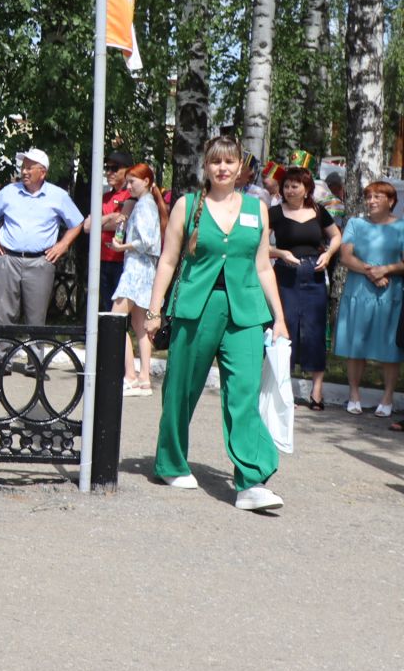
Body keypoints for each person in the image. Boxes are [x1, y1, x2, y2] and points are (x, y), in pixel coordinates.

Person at [144, 134, 289, 510]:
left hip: (246, 313)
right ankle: (170, 462)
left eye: (230, 162)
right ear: (205, 167)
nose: (223, 168)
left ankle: (251, 480)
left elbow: (262, 267)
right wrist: (154, 309)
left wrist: (279, 318)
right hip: (196, 309)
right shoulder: (187, 205)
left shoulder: (257, 209)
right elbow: (168, 261)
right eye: (215, 162)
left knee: (243, 394)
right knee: (181, 388)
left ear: (240, 166)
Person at [0, 148, 85, 328]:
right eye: (23, 167)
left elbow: (77, 222)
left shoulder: (58, 196)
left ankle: (35, 357)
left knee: (36, 320)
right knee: (4, 317)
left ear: (42, 172)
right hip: (9, 259)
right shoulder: (9, 191)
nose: (24, 172)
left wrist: (63, 245)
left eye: (29, 168)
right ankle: (2, 356)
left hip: (40, 262)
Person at [268, 167, 340, 411]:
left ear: (307, 188)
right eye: (286, 186)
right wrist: (279, 252)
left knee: (314, 330)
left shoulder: (318, 211)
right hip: (285, 275)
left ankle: (316, 391)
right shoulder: (275, 213)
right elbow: (259, 245)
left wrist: (329, 254)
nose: (289, 190)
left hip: (315, 275)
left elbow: (336, 236)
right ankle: (284, 390)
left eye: (295, 186)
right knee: (285, 328)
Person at [333, 180, 404, 416]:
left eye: (377, 197)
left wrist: (386, 270)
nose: (371, 201)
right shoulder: (355, 223)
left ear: (391, 201)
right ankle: (354, 394)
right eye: (368, 197)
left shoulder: (401, 227)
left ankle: (387, 397)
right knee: (356, 344)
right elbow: (345, 256)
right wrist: (372, 272)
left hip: (390, 295)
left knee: (389, 348)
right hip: (358, 292)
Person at [109, 163, 162, 394]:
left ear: (147, 182)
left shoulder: (144, 206)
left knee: (115, 320)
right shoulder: (145, 204)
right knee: (140, 326)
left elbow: (147, 242)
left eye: (132, 181)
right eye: (127, 181)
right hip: (143, 269)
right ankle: (143, 378)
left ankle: (130, 375)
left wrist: (122, 247)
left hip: (136, 270)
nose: (128, 186)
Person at [96, 150, 134, 312]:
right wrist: (112, 217)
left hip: (122, 260)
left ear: (127, 170)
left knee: (119, 311)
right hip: (102, 259)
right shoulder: (103, 197)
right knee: (106, 307)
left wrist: (102, 221)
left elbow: (125, 222)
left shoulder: (130, 195)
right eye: (107, 168)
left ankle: (119, 338)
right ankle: (108, 338)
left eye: (114, 168)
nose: (109, 172)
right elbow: (88, 226)